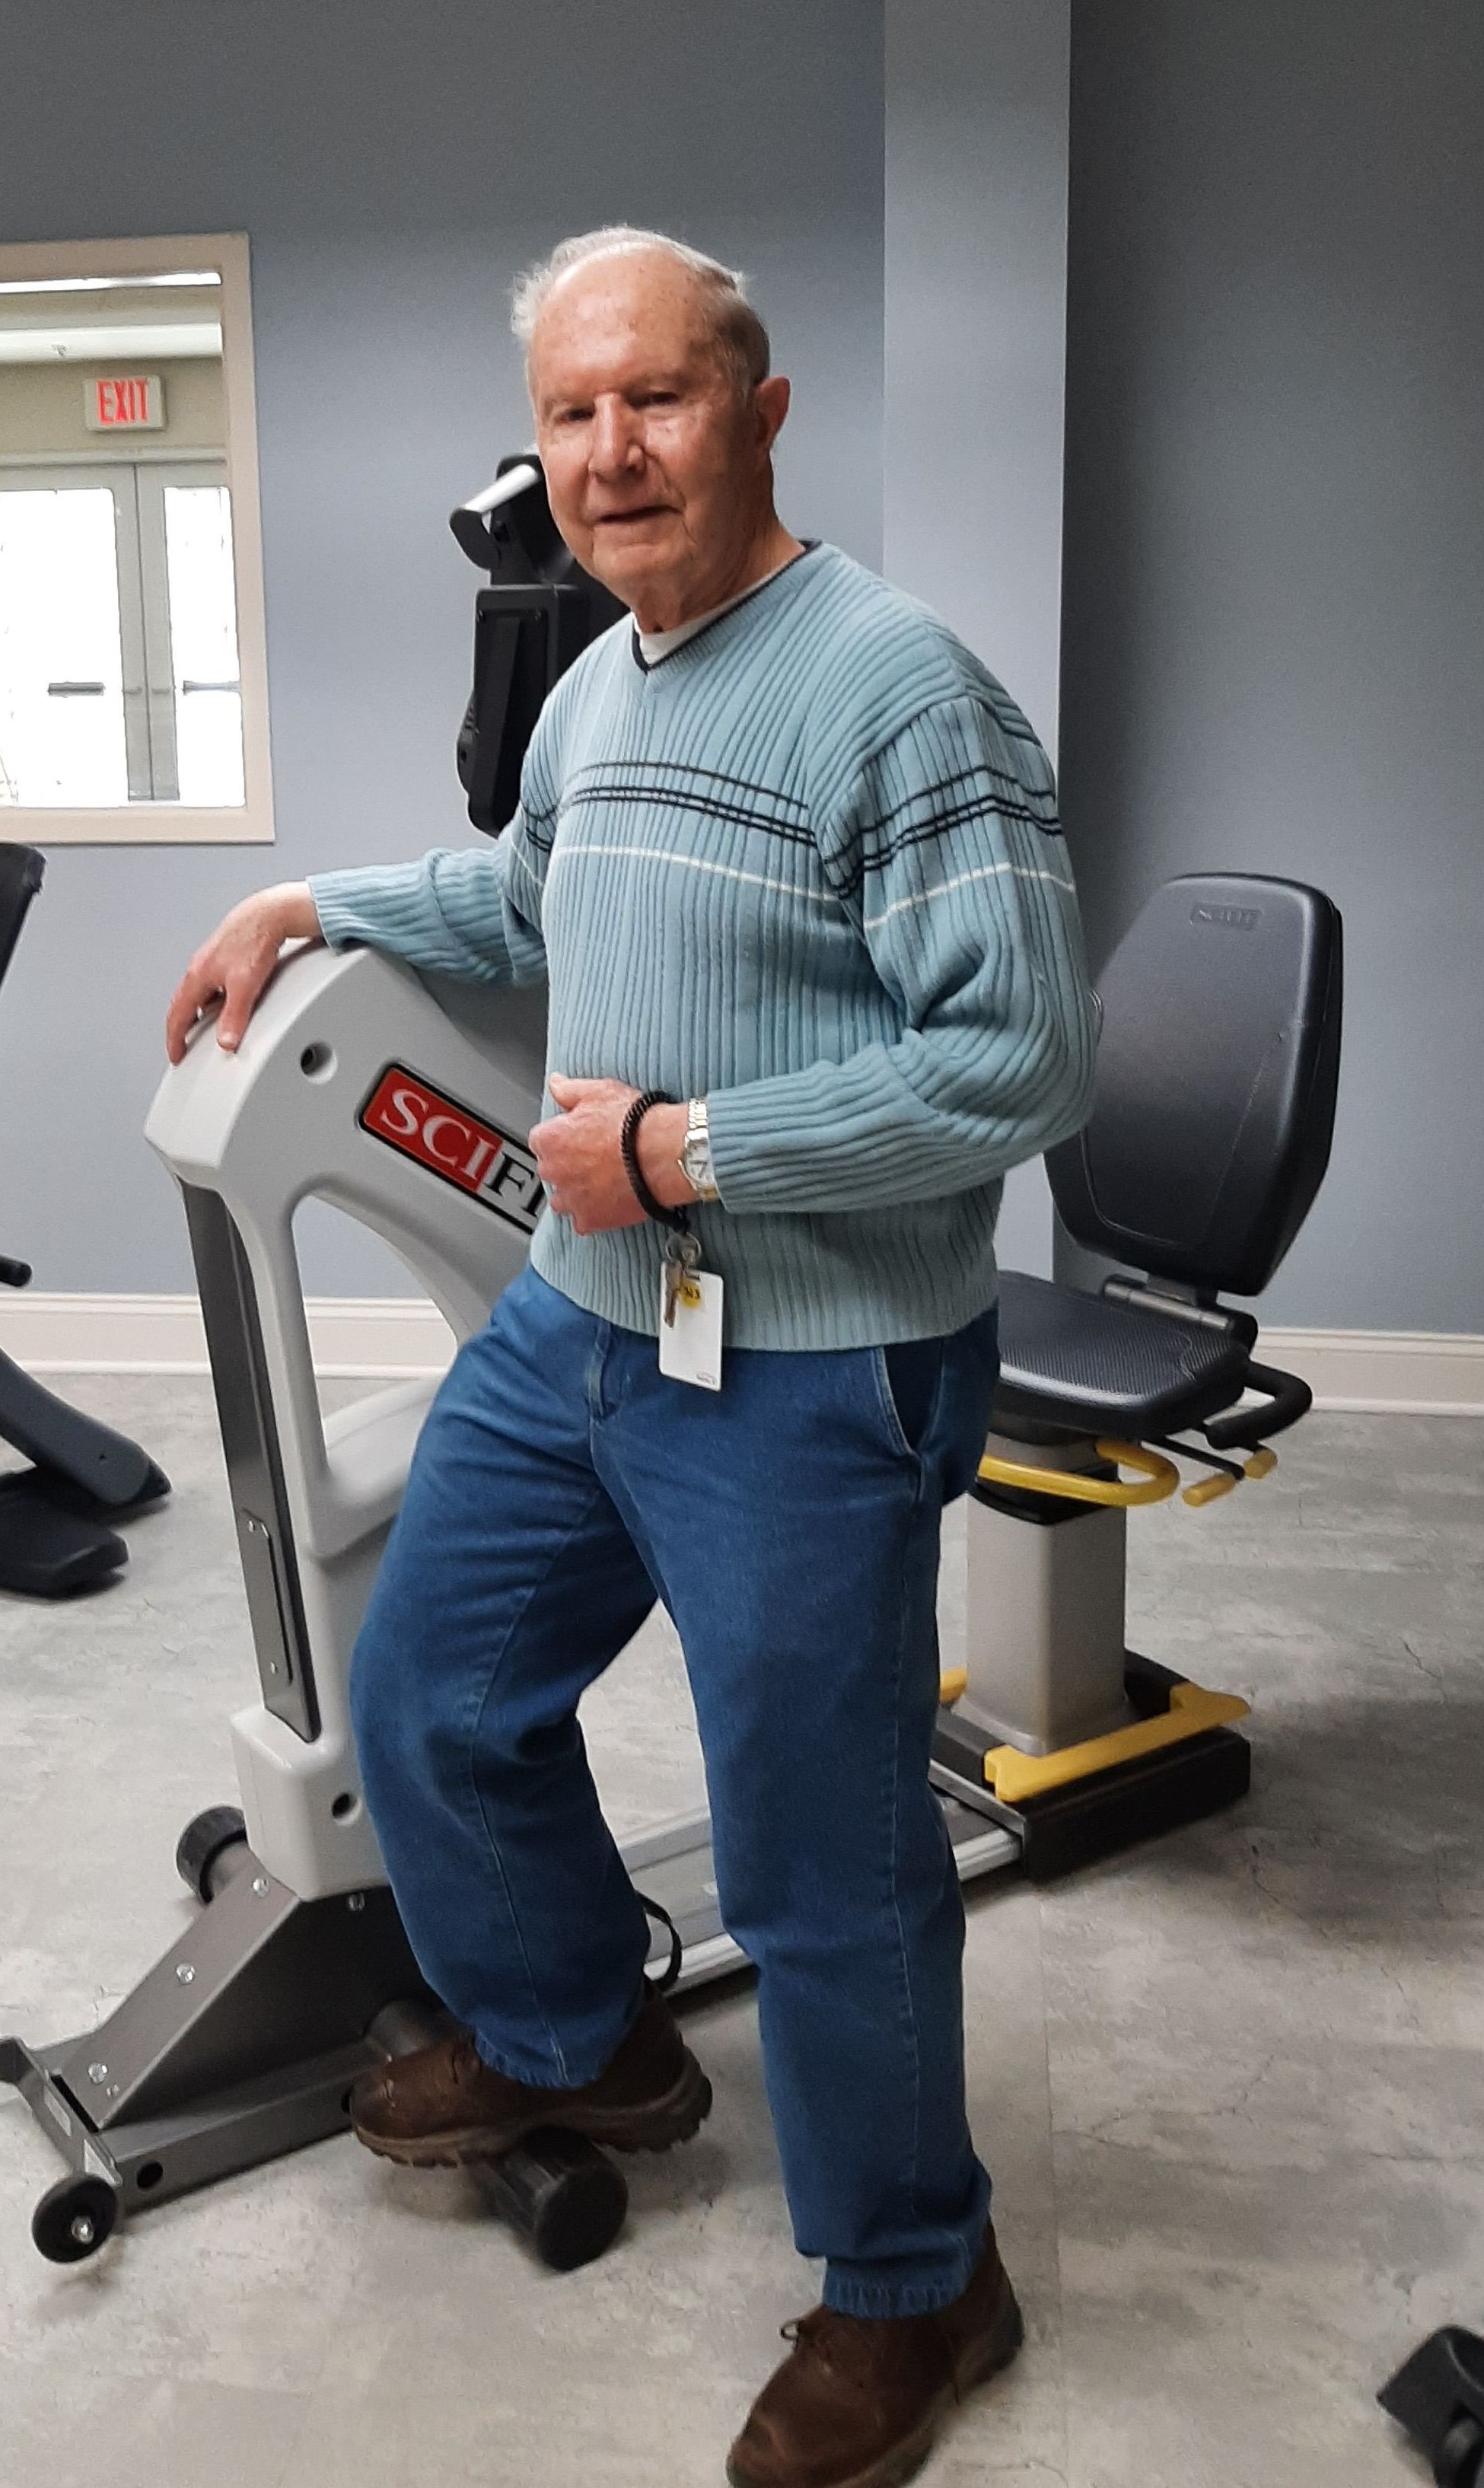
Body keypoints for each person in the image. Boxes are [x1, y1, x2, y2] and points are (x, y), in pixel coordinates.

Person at [165, 226, 1094, 2488]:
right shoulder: (604, 680)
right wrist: (319, 901)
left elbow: (1026, 1062)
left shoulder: (898, 687)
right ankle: (582, 2038)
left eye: (654, 399)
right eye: (572, 414)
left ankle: (910, 2280)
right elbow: (528, 895)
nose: (609, 451)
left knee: (818, 1856)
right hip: (588, 1332)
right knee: (427, 1700)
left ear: (757, 412)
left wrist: (685, 1148)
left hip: (813, 1356)